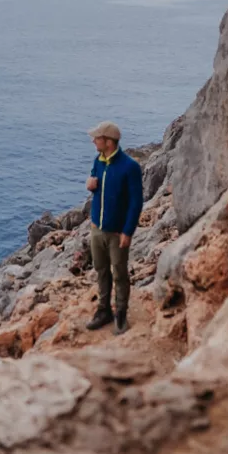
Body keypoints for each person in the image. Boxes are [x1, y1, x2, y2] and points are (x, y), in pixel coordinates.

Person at [84, 121, 143, 335]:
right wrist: (90, 186)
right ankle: (103, 311)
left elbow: (136, 202)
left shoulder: (130, 167)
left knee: (119, 273)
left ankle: (121, 314)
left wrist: (127, 232)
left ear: (108, 142)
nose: (93, 141)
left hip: (118, 232)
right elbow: (97, 187)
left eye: (96, 138)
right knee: (101, 271)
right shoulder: (98, 162)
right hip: (97, 228)